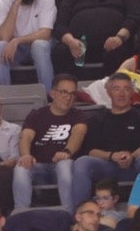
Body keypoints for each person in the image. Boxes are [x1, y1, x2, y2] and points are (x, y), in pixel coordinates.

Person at [13, 74, 86, 212]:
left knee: (64, 165)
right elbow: (26, 136)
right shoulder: (37, 114)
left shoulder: (78, 115)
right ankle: (20, 213)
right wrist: (25, 155)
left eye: (72, 93)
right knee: (21, 167)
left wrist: (67, 152)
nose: (68, 97)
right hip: (39, 166)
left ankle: (69, 213)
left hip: (63, 164)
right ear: (53, 93)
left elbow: (79, 133)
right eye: (64, 92)